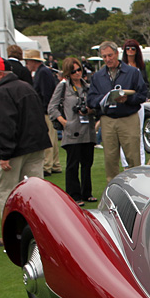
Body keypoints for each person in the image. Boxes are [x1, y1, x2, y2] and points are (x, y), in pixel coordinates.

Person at [0, 56, 51, 237]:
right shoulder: (25, 86)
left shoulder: (3, 91)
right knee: (34, 192)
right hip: (35, 146)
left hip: (15, 150)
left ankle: (13, 233)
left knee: (8, 192)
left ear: (0, 73)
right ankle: (38, 230)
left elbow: (5, 124)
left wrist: (4, 153)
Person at [86, 41, 148, 183]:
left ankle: (137, 188)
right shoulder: (98, 76)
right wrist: (104, 100)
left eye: (110, 55)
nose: (107, 59)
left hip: (128, 118)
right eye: (104, 57)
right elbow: (91, 99)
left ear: (117, 54)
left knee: (133, 157)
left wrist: (127, 99)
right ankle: (113, 192)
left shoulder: (132, 72)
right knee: (110, 159)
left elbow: (142, 95)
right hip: (108, 119)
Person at [49, 57, 96, 204]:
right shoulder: (63, 87)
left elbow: (95, 104)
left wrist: (90, 110)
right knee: (73, 164)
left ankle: (87, 192)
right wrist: (64, 122)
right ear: (68, 72)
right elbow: (52, 107)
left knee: (87, 163)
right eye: (74, 71)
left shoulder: (88, 87)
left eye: (79, 69)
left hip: (88, 129)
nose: (77, 73)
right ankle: (74, 195)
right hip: (72, 130)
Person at [26, 49, 62, 175]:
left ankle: (48, 165)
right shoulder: (43, 72)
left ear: (32, 61)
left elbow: (46, 93)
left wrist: (45, 108)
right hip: (48, 109)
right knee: (52, 137)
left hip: (46, 110)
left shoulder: (42, 73)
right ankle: (55, 164)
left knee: (48, 138)